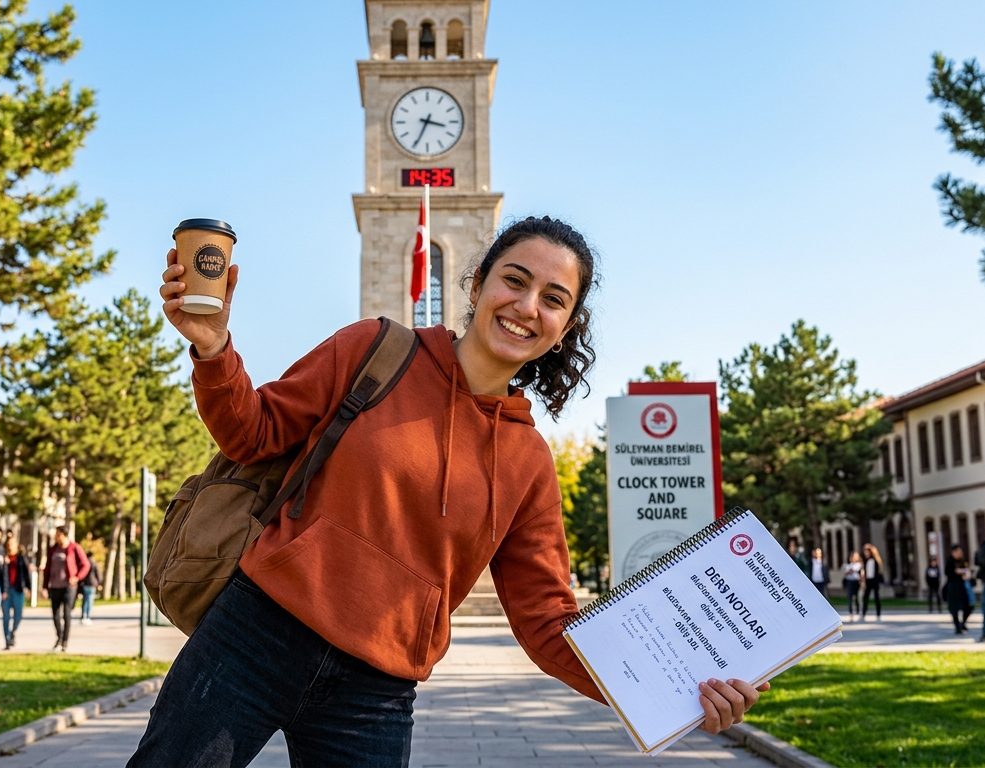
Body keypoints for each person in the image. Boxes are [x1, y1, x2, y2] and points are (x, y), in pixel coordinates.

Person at [127, 217, 766, 767]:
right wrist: (213, 350)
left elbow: (548, 625)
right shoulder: (373, 348)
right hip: (256, 635)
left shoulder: (530, 463)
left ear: (566, 327)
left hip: (376, 688)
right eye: (514, 280)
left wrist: (679, 688)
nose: (526, 306)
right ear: (476, 284)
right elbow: (254, 433)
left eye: (553, 298)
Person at [42, 526, 89, 652]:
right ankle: (59, 637)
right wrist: (45, 586)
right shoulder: (53, 549)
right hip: (55, 586)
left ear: (64, 535)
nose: (56, 537)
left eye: (58, 534)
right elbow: (47, 568)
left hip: (69, 586)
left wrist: (77, 577)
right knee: (55, 613)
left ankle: (65, 642)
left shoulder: (74, 548)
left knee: (67, 613)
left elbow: (86, 565)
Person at [2, 535, 32, 650]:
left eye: (13, 544)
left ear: (17, 545)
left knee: (18, 615)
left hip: (18, 589)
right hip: (6, 590)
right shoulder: (2, 558)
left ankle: (13, 631)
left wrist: (28, 588)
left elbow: (26, 573)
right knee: (6, 617)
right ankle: (7, 640)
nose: (10, 546)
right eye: (8, 544)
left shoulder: (21, 558)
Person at [947, 544, 971, 635]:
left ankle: (963, 623)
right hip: (953, 588)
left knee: (968, 606)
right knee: (954, 608)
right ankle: (957, 627)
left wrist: (965, 573)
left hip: (963, 587)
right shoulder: (950, 562)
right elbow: (949, 572)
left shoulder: (963, 561)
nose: (960, 553)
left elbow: (968, 571)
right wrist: (960, 571)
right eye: (958, 552)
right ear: (953, 552)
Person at [861, 543, 883, 622]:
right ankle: (863, 614)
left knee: (877, 598)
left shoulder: (875, 561)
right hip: (868, 581)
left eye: (867, 552)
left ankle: (878, 615)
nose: (866, 553)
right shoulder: (866, 561)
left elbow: (878, 572)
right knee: (865, 597)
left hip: (874, 581)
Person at [79, 557, 101, 626]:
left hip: (85, 584)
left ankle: (84, 615)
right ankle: (87, 616)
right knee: (90, 601)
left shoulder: (84, 564)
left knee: (85, 601)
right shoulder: (94, 563)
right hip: (92, 584)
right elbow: (98, 574)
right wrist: (99, 583)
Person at [843, 551, 863, 622]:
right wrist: (849, 572)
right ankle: (851, 613)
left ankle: (858, 612)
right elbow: (845, 574)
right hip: (850, 582)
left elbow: (862, 574)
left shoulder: (859, 565)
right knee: (850, 598)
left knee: (857, 597)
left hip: (856, 582)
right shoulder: (848, 565)